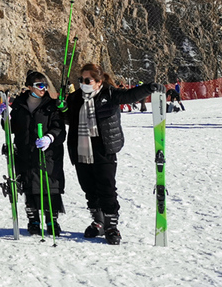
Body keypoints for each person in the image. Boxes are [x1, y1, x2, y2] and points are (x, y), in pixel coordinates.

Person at [62, 63, 164, 245]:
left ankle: (111, 225)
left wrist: (149, 88)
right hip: (81, 148)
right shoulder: (75, 97)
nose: (83, 83)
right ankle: (98, 222)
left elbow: (129, 96)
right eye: (81, 80)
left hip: (104, 147)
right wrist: (61, 108)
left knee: (106, 187)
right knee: (88, 187)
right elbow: (69, 119)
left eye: (87, 80)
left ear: (99, 81)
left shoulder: (109, 94)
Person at [0, 72, 66, 235]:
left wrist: (50, 137)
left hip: (47, 154)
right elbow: (12, 128)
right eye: (39, 85)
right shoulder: (19, 105)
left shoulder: (51, 105)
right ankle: (33, 220)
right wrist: (5, 116)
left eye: (45, 85)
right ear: (29, 87)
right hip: (25, 152)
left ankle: (51, 220)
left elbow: (60, 129)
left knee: (49, 186)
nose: (43, 88)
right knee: (29, 184)